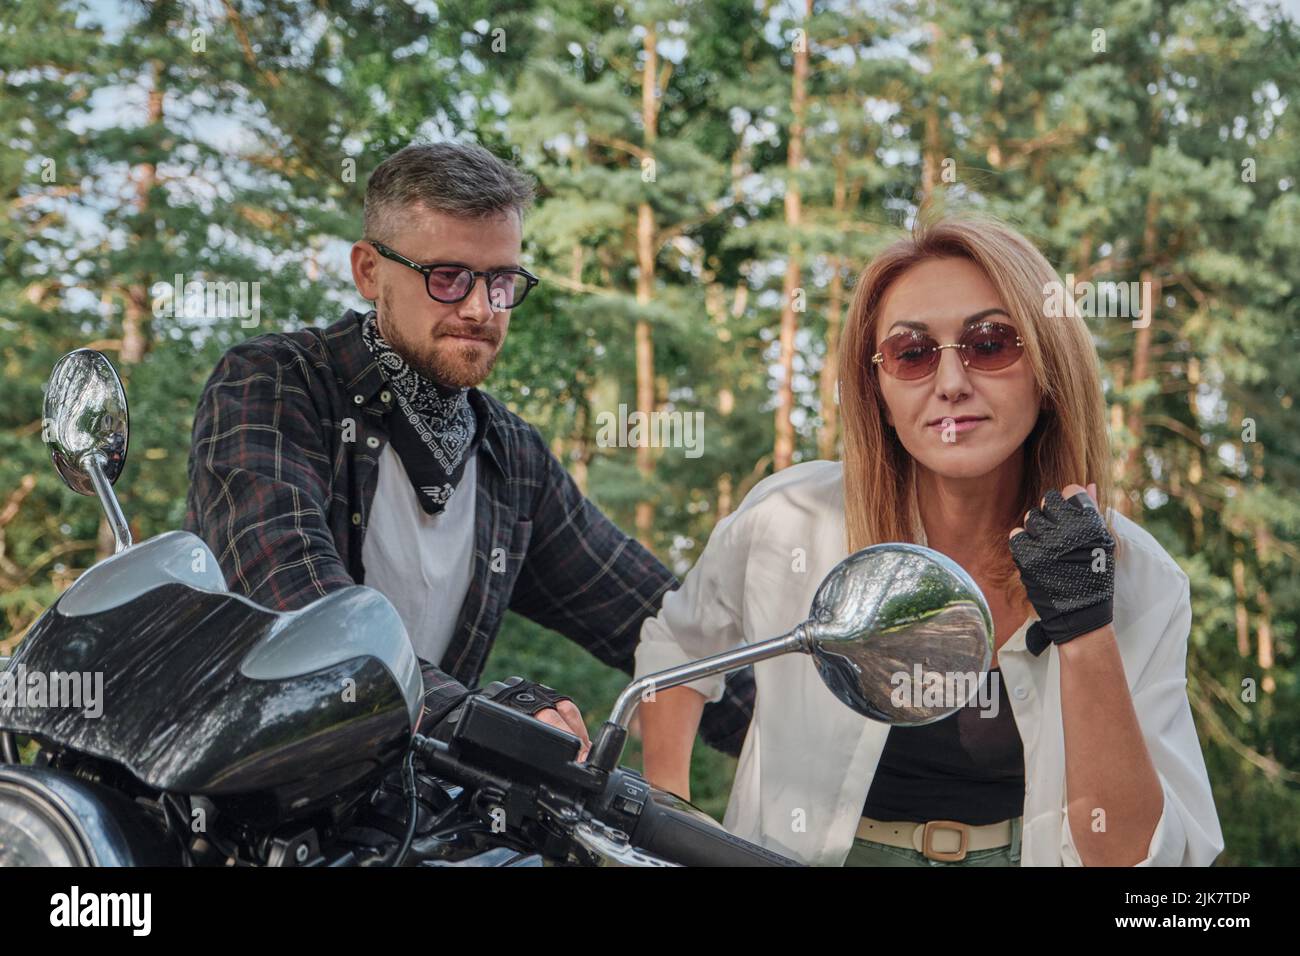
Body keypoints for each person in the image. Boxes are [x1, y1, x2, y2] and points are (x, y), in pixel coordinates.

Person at [633, 213, 1224, 866]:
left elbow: (1133, 860)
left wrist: (1086, 632)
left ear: (1049, 369)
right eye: (912, 353)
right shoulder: (789, 519)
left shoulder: (1138, 576)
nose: (950, 383)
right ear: (877, 385)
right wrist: (669, 820)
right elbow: (677, 650)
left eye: (992, 343)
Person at [183, 141, 753, 757]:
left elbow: (657, 619)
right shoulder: (276, 384)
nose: (481, 309)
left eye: (501, 281)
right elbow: (291, 594)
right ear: (369, 271)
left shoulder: (512, 461)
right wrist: (478, 718)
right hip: (226, 806)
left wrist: (833, 742)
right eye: (448, 277)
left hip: (403, 828)